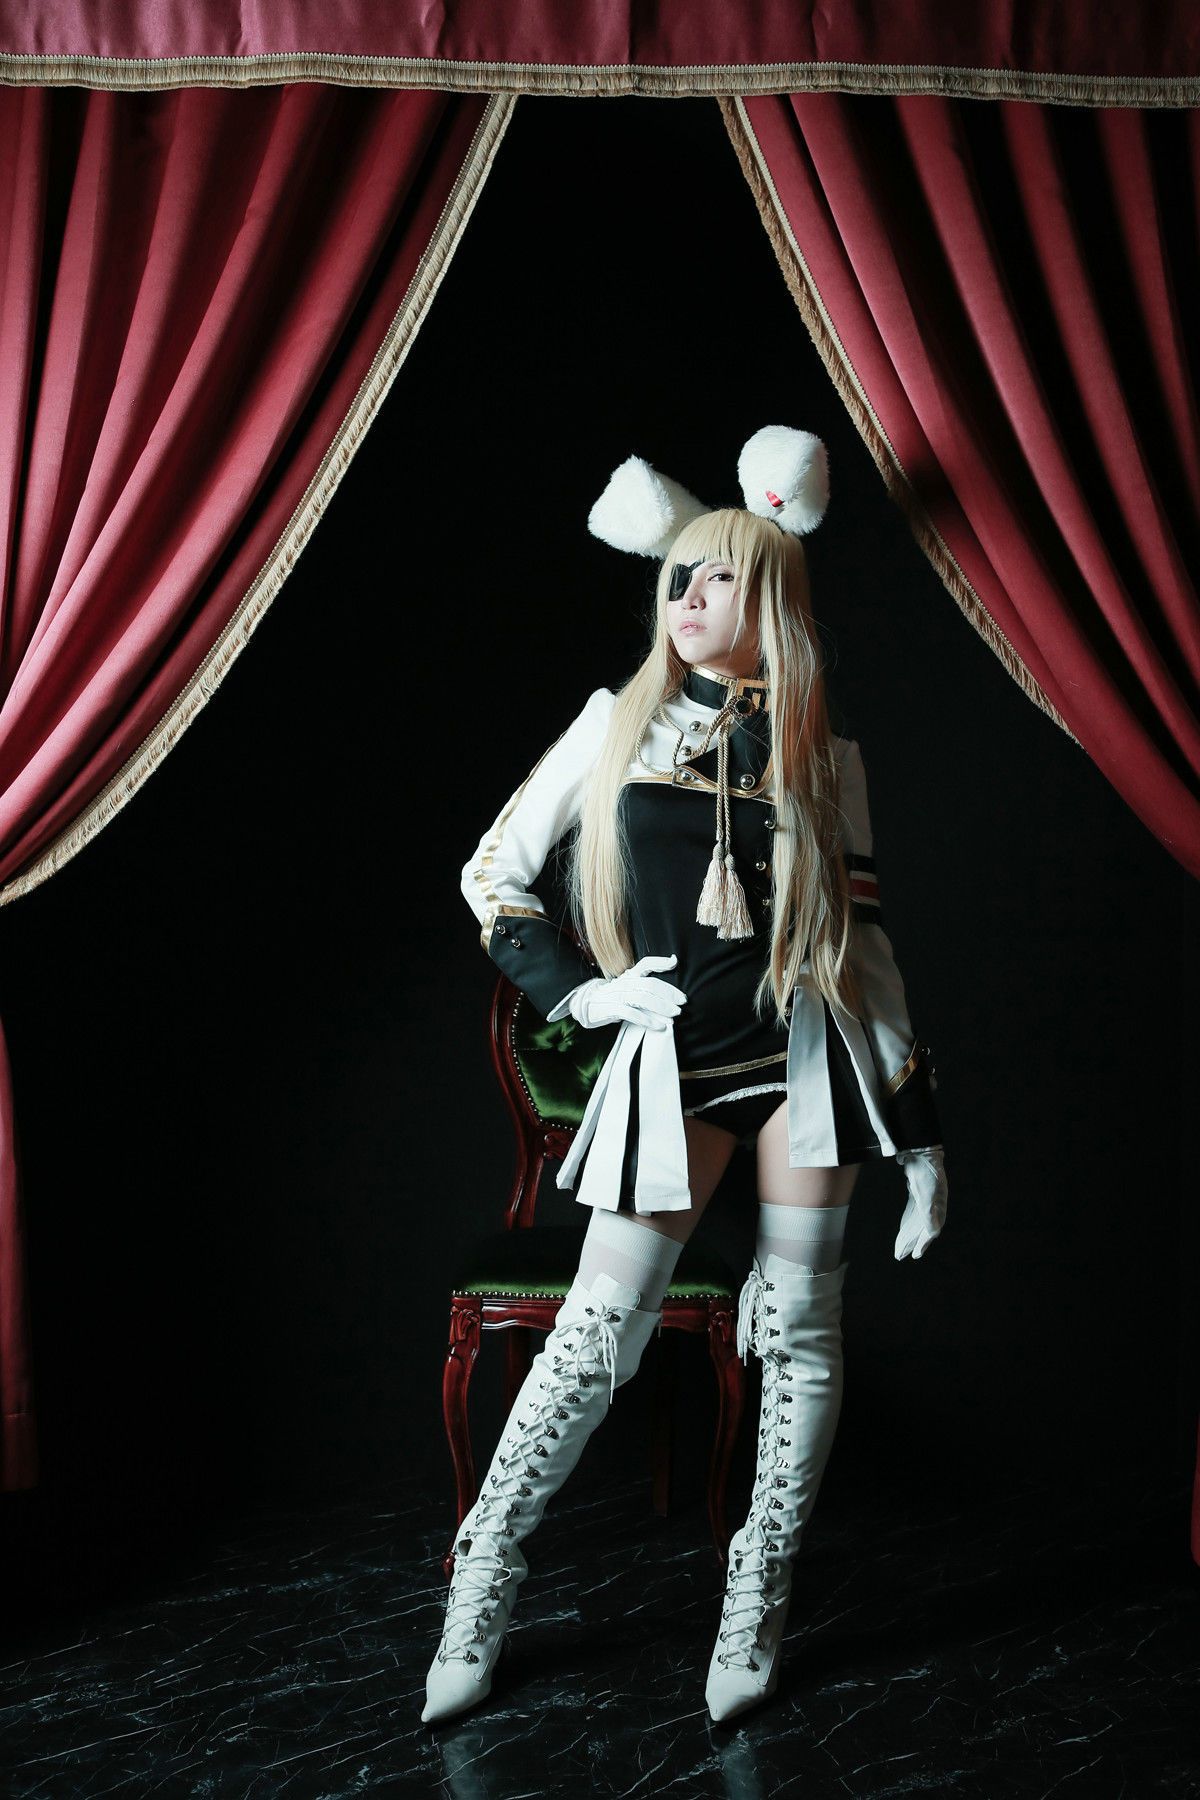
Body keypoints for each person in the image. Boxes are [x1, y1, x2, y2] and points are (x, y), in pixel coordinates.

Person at [422, 426, 948, 1727]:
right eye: (680, 577)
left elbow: (866, 948)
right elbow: (493, 876)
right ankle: (483, 1569)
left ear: (772, 594)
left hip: (806, 1062)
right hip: (674, 1063)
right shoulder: (616, 727)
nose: (692, 596)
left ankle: (759, 1589)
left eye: (721, 577)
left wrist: (921, 1134)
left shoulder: (824, 754)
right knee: (595, 1336)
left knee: (803, 1333)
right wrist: (581, 991)